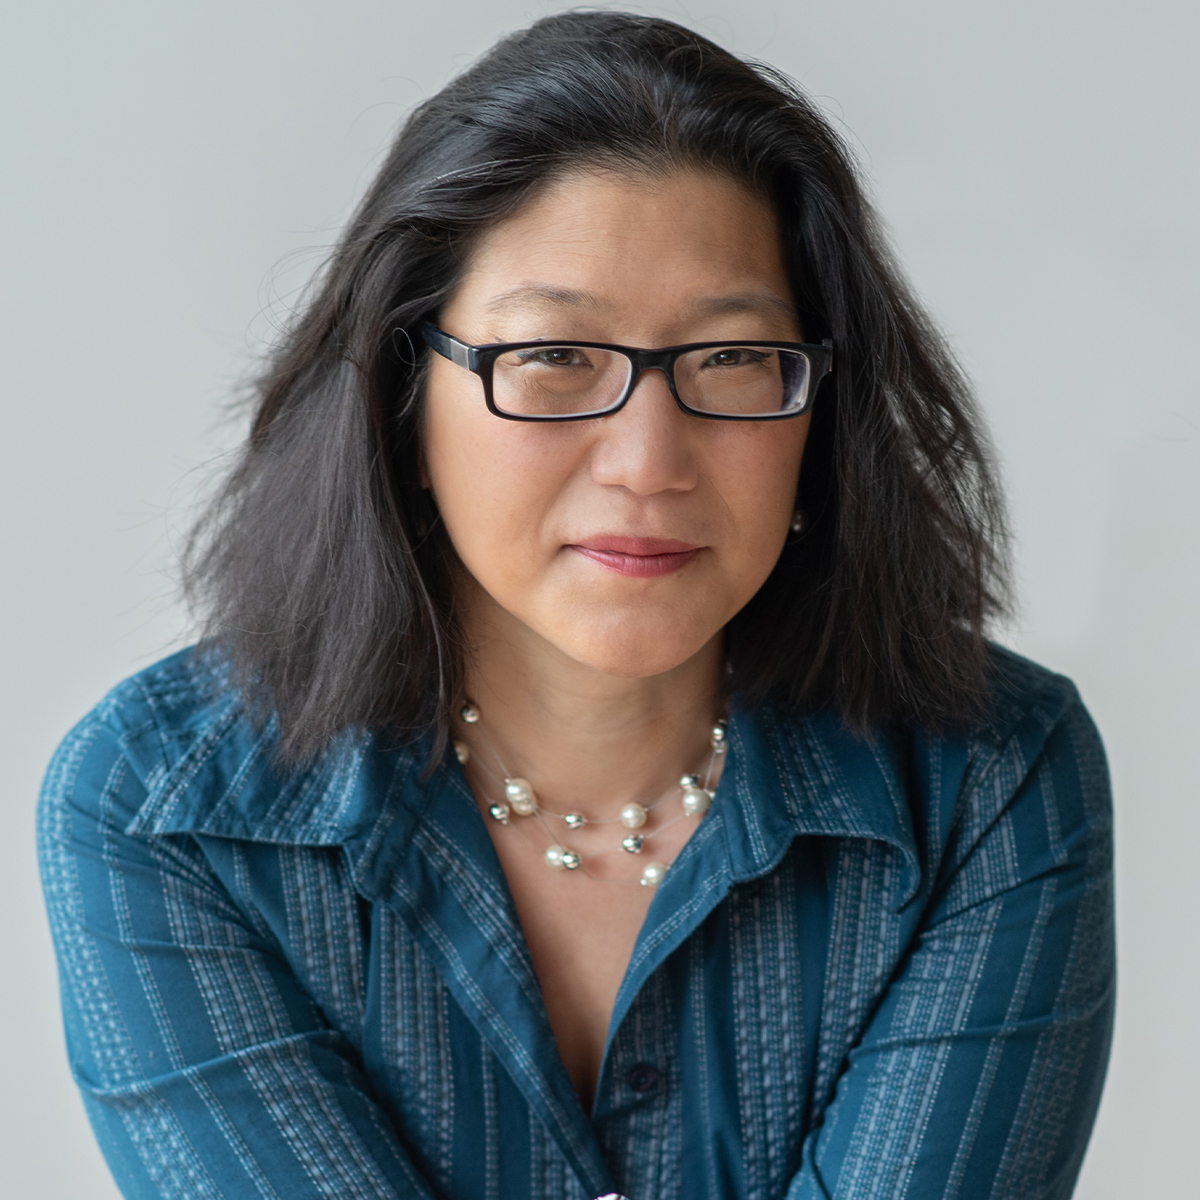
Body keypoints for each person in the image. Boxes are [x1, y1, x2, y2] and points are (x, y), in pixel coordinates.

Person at [37, 11, 1114, 1200]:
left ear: (821, 413)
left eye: (732, 360)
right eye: (554, 356)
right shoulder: (167, 806)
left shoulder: (988, 778)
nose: (649, 461)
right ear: (404, 395)